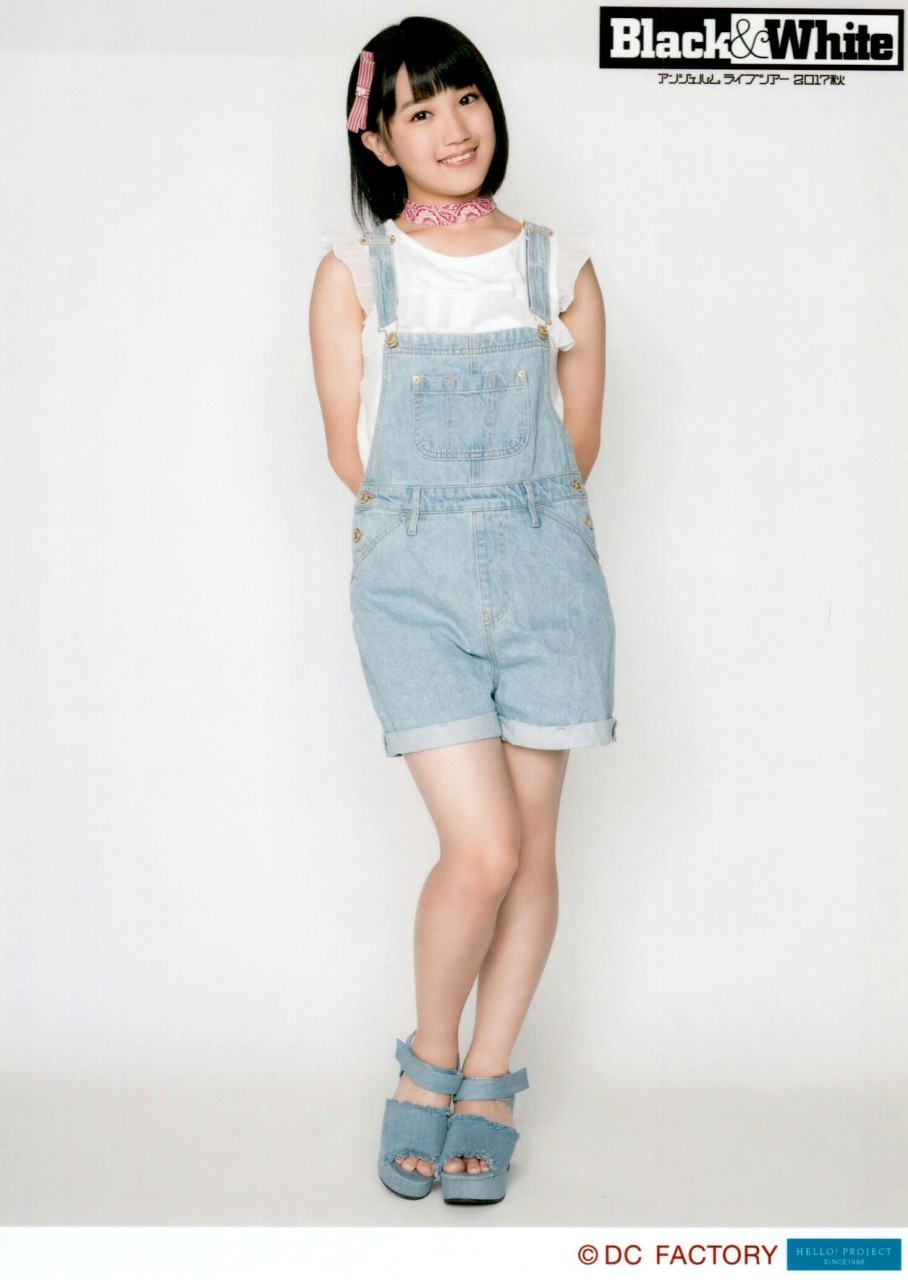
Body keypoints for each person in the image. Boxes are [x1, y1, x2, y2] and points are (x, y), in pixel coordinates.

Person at [309, 16, 618, 1206]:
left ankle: (488, 1078)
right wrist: (443, 519)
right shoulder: (355, 273)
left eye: (467, 98)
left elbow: (578, 442)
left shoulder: (557, 264)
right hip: (412, 580)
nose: (453, 128)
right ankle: (428, 1058)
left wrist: (513, 514)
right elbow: (352, 454)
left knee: (531, 846)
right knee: (480, 848)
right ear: (378, 139)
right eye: (420, 110)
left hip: (548, 574)